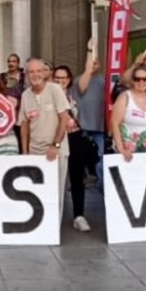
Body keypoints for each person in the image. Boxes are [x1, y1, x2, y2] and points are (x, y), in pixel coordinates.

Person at [20, 58, 73, 228]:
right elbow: (24, 125)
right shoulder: (25, 95)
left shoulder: (55, 89)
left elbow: (64, 118)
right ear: (27, 75)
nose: (35, 75)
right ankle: (39, 227)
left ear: (44, 73)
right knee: (37, 191)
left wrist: (55, 145)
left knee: (56, 191)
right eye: (31, 72)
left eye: (38, 71)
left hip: (56, 151)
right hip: (35, 151)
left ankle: (53, 228)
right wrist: (25, 151)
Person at [54, 65, 93, 232]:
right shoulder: (49, 94)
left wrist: (90, 51)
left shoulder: (75, 93)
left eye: (64, 78)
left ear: (69, 80)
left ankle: (79, 215)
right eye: (57, 78)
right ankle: (54, 215)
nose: (61, 81)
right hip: (57, 138)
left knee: (76, 178)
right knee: (56, 178)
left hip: (75, 137)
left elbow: (87, 73)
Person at [73, 43, 107, 186]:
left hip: (99, 126)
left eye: (96, 63)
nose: (94, 65)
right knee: (81, 157)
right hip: (82, 125)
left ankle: (100, 182)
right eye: (91, 63)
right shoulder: (79, 79)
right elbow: (82, 87)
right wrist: (90, 50)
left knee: (100, 156)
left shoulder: (104, 80)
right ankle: (83, 179)